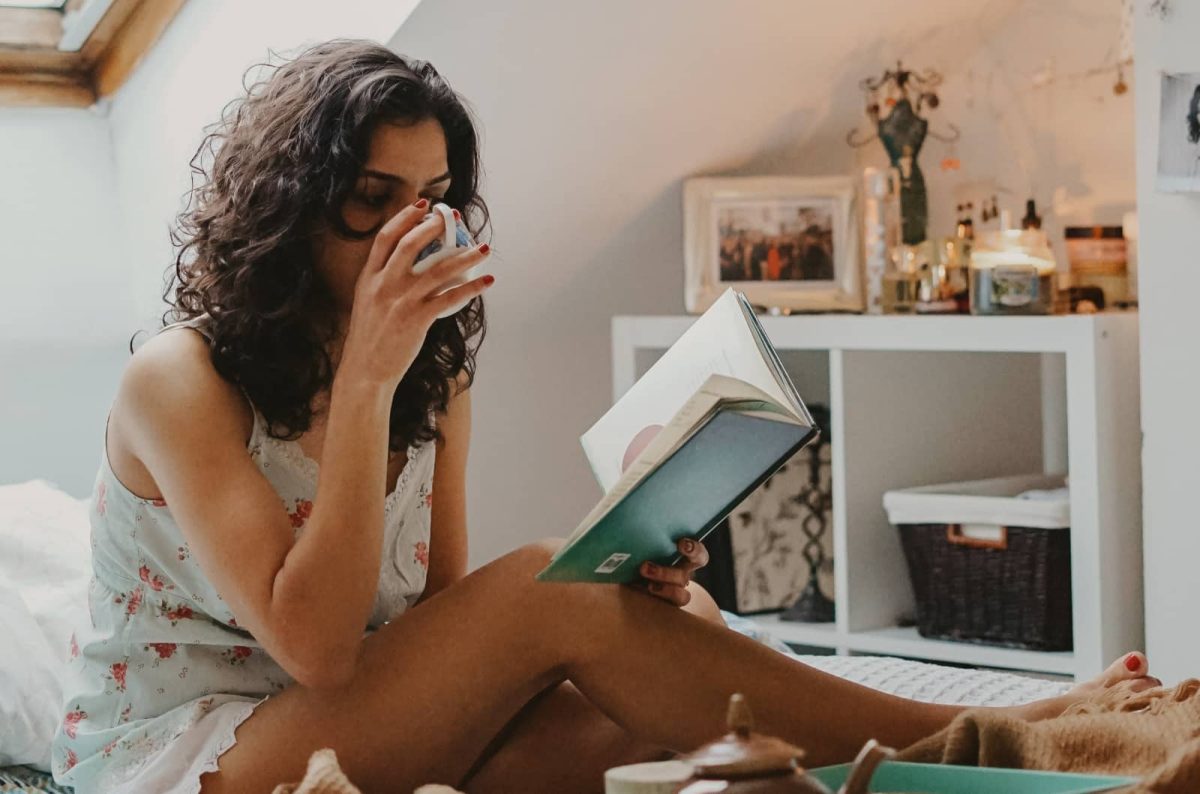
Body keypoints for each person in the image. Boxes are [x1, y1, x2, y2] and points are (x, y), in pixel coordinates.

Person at [50, 39, 1159, 794]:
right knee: (553, 592)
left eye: (431, 201)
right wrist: (366, 390)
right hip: (197, 751)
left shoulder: (433, 364)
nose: (410, 233)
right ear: (291, 209)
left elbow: (438, 622)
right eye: (371, 200)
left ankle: (924, 772)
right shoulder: (179, 380)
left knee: (686, 711)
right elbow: (320, 646)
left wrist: (627, 587)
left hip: (351, 715)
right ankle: (1014, 735)